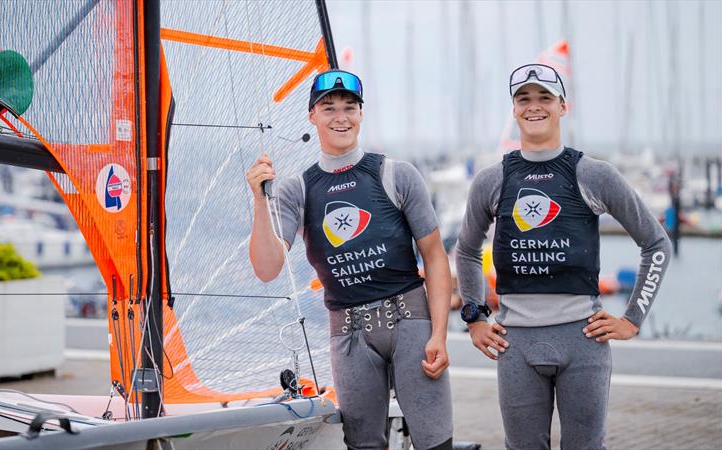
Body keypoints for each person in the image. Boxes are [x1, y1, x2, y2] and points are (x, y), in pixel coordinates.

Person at [456, 63, 671, 450]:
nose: (533, 107)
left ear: (562, 107)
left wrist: (632, 320)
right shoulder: (492, 180)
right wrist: (474, 318)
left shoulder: (593, 174)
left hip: (582, 342)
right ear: (514, 109)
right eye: (524, 99)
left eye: (544, 98)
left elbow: (656, 244)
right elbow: (467, 250)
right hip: (515, 345)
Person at [246, 70, 454, 450]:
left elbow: (436, 259)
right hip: (348, 335)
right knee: (363, 445)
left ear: (361, 114)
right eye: (329, 108)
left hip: (412, 324)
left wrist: (439, 333)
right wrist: (261, 201)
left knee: (435, 441)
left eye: (349, 107)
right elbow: (267, 268)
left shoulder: (396, 174)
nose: (340, 116)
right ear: (312, 115)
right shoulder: (299, 189)